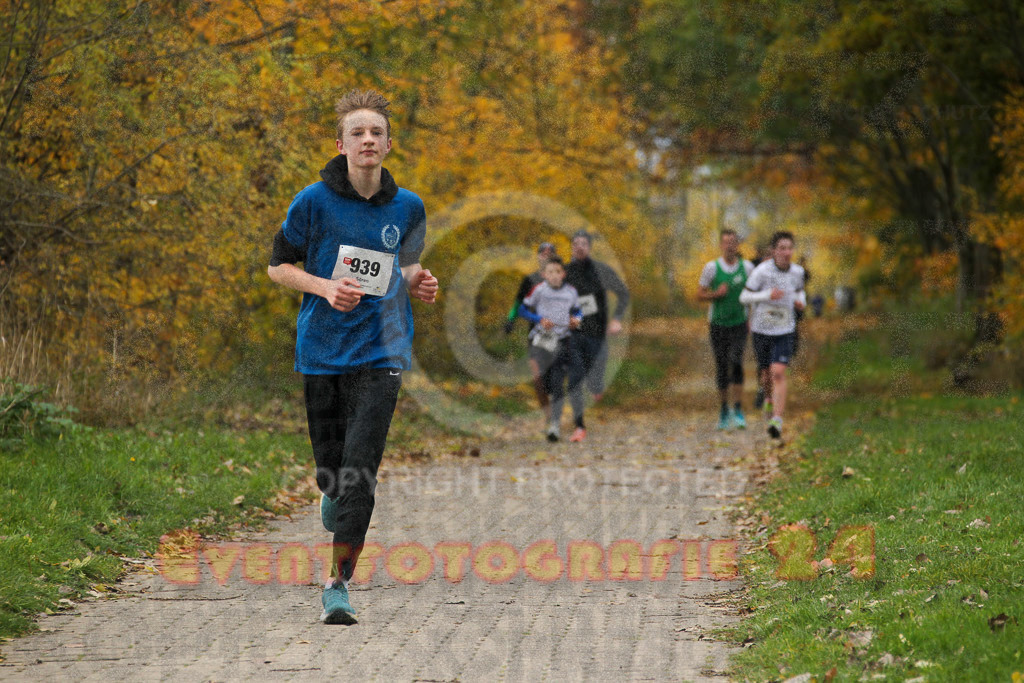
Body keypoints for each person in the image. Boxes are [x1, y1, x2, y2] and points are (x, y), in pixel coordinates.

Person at [266, 90, 438, 625]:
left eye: (377, 133)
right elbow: (278, 267)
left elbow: (400, 268)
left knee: (360, 470)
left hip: (382, 351)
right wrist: (324, 288)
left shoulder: (408, 207)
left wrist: (420, 280)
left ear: (389, 144)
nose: (368, 140)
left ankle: (338, 583)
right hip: (322, 352)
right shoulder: (311, 202)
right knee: (333, 473)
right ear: (341, 144)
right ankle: (330, 495)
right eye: (358, 132)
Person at [740, 231, 806, 440]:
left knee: (778, 372)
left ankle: (777, 420)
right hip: (762, 329)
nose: (787, 252)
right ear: (774, 251)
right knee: (766, 374)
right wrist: (767, 295)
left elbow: (799, 290)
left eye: (790, 248)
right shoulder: (762, 272)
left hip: (785, 329)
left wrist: (800, 301)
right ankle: (767, 395)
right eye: (782, 248)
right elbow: (744, 296)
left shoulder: (797, 272)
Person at [518, 257, 584, 441]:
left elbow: (578, 311)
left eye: (558, 272)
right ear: (543, 274)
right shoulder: (538, 290)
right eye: (550, 272)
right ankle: (548, 414)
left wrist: (577, 320)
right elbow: (522, 310)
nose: (554, 276)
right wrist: (539, 319)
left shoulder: (571, 292)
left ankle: (554, 424)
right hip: (540, 341)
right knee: (540, 379)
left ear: (563, 274)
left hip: (562, 340)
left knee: (557, 382)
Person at [565, 230, 630, 408]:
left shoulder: (601, 270)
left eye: (583, 244)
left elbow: (623, 293)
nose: (579, 247)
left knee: (596, 374)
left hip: (596, 330)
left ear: (589, 248)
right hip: (572, 330)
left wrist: (616, 319)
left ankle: (595, 390)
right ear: (571, 247)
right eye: (576, 243)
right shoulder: (563, 272)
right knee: (575, 371)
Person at [697, 229, 754, 430]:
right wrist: (716, 294)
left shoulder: (746, 267)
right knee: (722, 366)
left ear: (738, 245)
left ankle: (738, 409)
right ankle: (723, 409)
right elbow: (699, 294)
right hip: (718, 324)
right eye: (726, 242)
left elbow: (753, 294)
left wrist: (752, 318)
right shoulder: (711, 268)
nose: (730, 245)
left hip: (739, 323)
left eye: (733, 242)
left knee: (736, 361)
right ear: (721, 245)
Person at [504, 242, 558, 415]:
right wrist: (510, 320)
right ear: (538, 257)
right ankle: (548, 415)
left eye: (550, 253)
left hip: (558, 334)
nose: (546, 256)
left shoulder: (562, 278)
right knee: (537, 376)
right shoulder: (530, 280)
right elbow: (519, 303)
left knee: (554, 376)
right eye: (542, 253)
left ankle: (555, 410)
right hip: (535, 333)